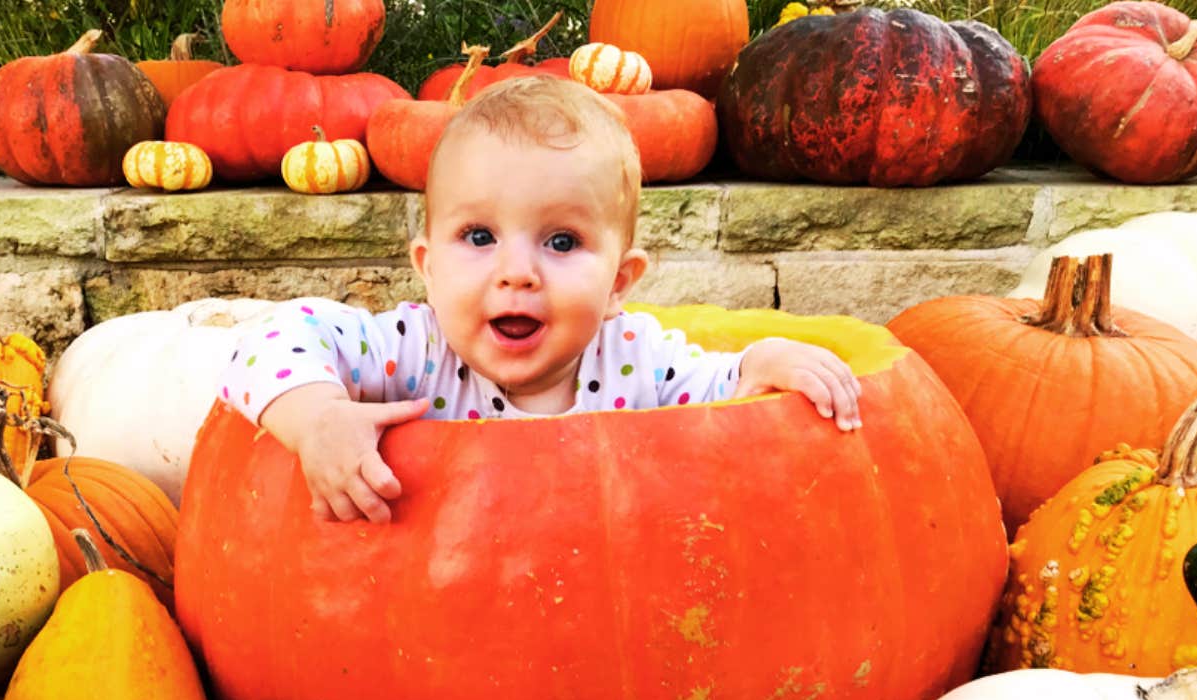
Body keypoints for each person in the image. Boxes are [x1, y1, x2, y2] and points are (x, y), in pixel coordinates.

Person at [219, 76, 862, 524]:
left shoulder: (635, 360)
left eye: (561, 241)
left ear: (618, 283)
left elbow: (723, 397)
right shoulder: (414, 353)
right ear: (430, 268)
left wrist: (760, 365)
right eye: (478, 237)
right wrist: (317, 419)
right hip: (434, 620)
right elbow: (270, 340)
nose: (517, 273)